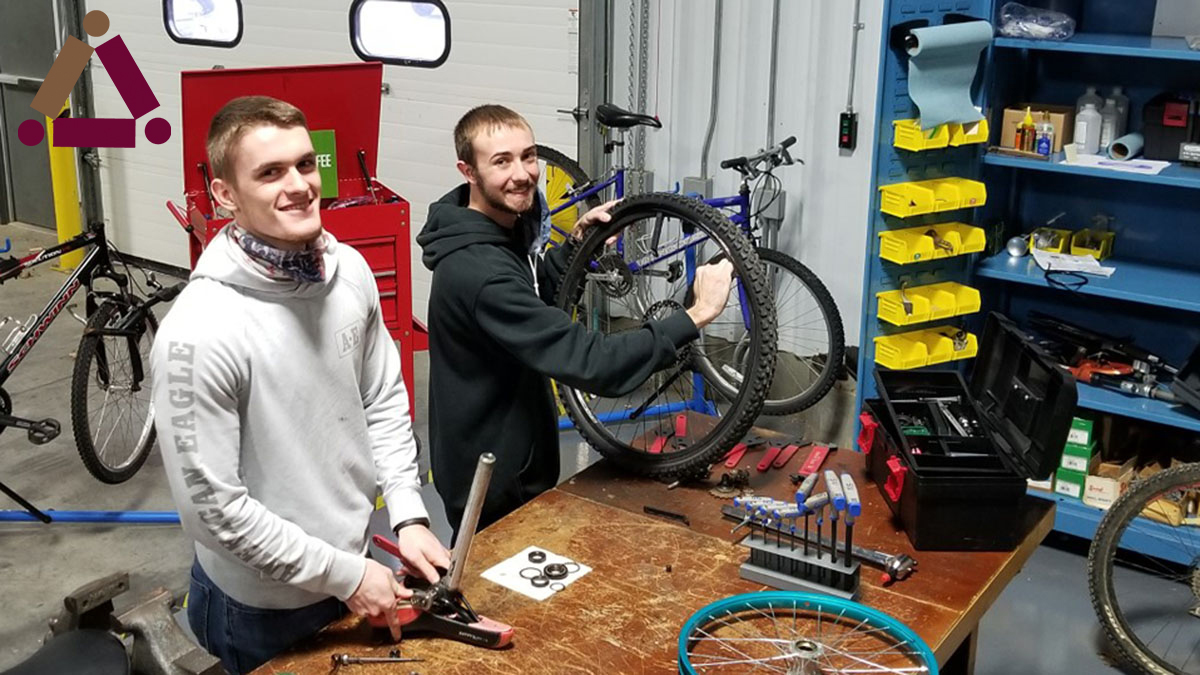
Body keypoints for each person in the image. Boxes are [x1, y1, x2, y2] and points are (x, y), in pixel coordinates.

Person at [150, 95, 449, 675]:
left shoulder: (349, 272)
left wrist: (408, 515)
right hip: (261, 610)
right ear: (224, 195)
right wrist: (347, 573)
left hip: (355, 572)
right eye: (270, 172)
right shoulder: (201, 331)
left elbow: (382, 398)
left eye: (306, 165)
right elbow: (213, 511)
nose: (299, 185)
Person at [417, 104, 734, 534]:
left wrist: (576, 248)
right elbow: (593, 361)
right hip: (494, 487)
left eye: (528, 156)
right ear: (467, 171)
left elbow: (531, 297)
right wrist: (696, 315)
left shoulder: (501, 228)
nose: (523, 173)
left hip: (512, 460)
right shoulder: (479, 272)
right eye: (501, 161)